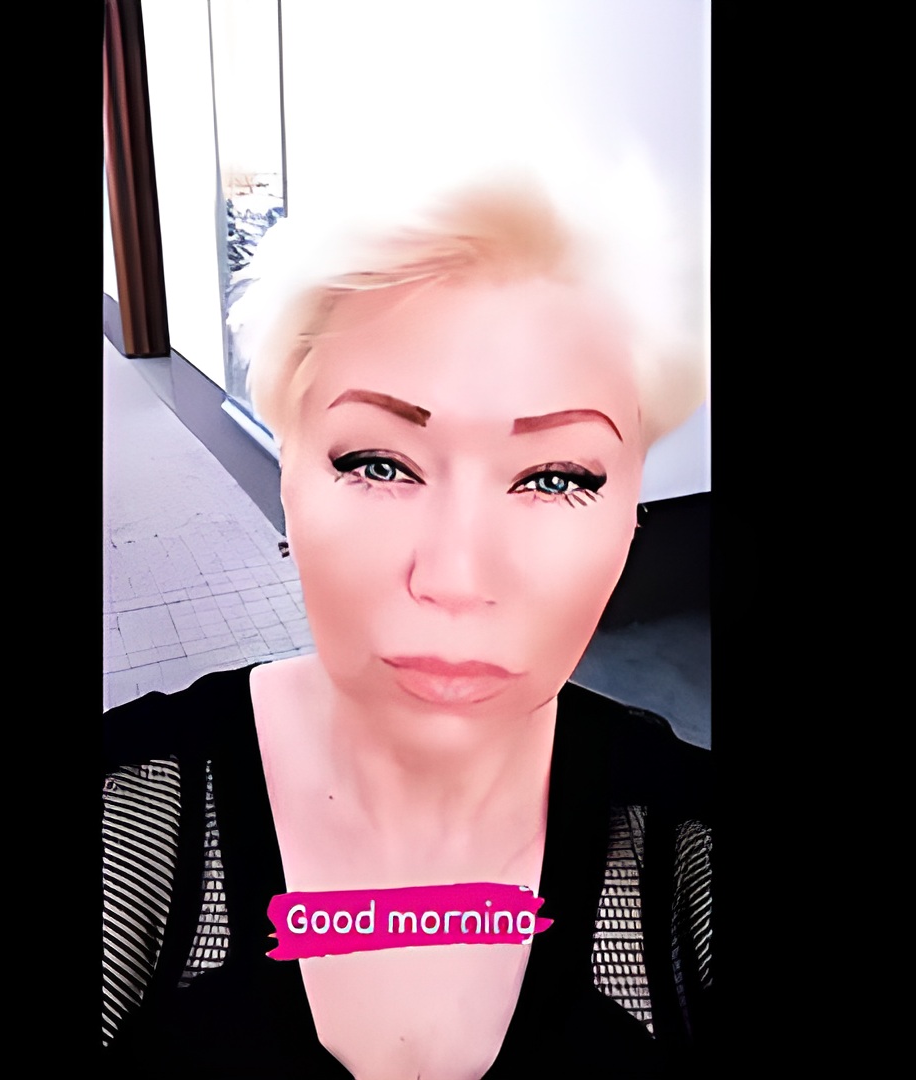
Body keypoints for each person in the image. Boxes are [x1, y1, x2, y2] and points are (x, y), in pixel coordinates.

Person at [102, 165, 712, 1079]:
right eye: (380, 464)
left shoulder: (687, 845)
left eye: (554, 478)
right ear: (287, 478)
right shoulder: (131, 815)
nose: (456, 578)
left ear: (632, 515)